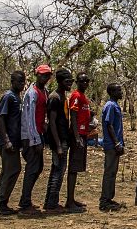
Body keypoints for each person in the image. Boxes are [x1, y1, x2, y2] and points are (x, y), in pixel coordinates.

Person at [0, 70, 26, 215]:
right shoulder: (8, 97)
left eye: (23, 81)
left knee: (9, 170)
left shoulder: (18, 97)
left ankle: (2, 201)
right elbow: (2, 119)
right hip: (8, 141)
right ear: (12, 81)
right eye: (19, 81)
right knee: (13, 169)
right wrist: (6, 140)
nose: (22, 84)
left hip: (15, 140)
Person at [19, 64, 52, 215]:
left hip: (39, 133)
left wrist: (44, 127)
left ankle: (25, 199)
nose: (45, 78)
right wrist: (35, 140)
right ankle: (25, 203)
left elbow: (40, 115)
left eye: (48, 75)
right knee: (32, 168)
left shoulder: (44, 92)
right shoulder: (31, 93)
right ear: (37, 75)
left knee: (37, 168)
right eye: (43, 75)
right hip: (31, 136)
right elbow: (28, 117)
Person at [44, 68, 74, 213]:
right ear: (60, 81)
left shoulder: (63, 96)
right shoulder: (55, 97)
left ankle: (50, 201)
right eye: (67, 81)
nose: (70, 84)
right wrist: (58, 145)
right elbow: (52, 122)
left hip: (63, 138)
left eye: (71, 81)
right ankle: (52, 204)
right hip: (58, 140)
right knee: (58, 171)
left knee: (57, 170)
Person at [66, 72, 93, 212]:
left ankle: (72, 199)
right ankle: (69, 202)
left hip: (83, 134)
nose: (85, 84)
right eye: (82, 81)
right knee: (73, 168)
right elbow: (74, 116)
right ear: (77, 82)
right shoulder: (76, 96)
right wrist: (77, 138)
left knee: (76, 168)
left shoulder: (84, 97)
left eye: (87, 81)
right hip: (78, 136)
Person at [99, 82, 125, 211]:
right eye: (119, 90)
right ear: (112, 92)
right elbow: (109, 125)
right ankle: (104, 201)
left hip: (115, 144)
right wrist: (116, 143)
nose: (121, 92)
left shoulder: (115, 105)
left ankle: (109, 198)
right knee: (109, 172)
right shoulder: (110, 106)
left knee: (113, 172)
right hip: (111, 144)